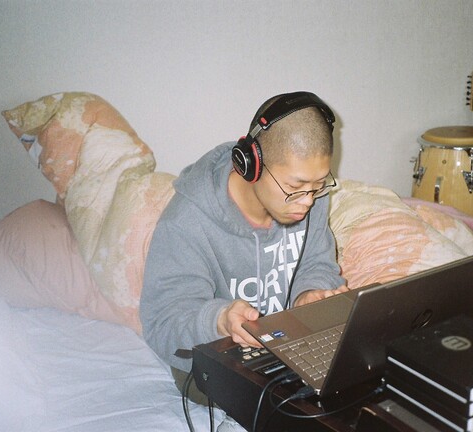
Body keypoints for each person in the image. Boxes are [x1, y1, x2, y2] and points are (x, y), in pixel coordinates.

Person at [139, 91, 348, 406]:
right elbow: (163, 324)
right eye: (294, 188)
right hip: (216, 359)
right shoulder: (185, 223)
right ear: (251, 165)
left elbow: (317, 264)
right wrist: (219, 320)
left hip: (291, 346)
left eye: (317, 186)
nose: (307, 201)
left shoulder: (311, 196)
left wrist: (310, 295)